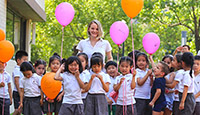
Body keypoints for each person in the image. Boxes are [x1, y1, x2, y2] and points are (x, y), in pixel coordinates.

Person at [12, 50, 28, 115]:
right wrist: (20, 93)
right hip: (17, 92)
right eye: (24, 60)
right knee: (18, 109)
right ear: (18, 61)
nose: (26, 62)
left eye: (26, 60)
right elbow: (16, 82)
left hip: (22, 92)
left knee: (20, 110)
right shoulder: (17, 69)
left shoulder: (22, 70)